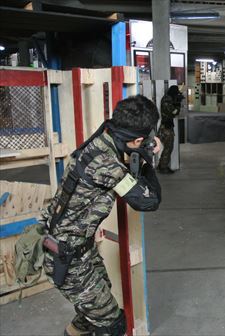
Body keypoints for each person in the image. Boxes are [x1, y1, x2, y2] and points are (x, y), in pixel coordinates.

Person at [40, 95, 162, 336]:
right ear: (137, 140)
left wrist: (141, 149)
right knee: (113, 324)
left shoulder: (103, 137)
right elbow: (149, 201)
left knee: (92, 311)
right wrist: (148, 158)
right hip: (67, 258)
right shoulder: (105, 163)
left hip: (77, 250)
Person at [158, 85, 184, 174]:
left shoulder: (168, 99)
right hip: (166, 127)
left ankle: (162, 165)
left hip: (167, 126)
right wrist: (178, 104)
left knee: (168, 147)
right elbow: (173, 112)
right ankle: (163, 167)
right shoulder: (167, 100)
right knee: (168, 148)